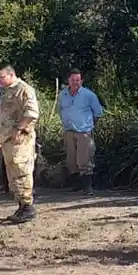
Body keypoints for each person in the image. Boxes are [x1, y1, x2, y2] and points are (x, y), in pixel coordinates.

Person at [0, 65, 41, 223]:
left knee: (22, 170)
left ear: (11, 75)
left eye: (1, 77)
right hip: (8, 140)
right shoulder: (7, 91)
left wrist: (19, 128)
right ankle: (21, 205)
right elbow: (4, 115)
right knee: (13, 172)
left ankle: (28, 206)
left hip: (20, 140)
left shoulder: (24, 89)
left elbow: (32, 112)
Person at [58, 68, 105, 196]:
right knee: (71, 160)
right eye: (73, 80)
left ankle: (88, 187)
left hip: (84, 131)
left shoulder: (89, 95)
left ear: (82, 81)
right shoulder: (62, 95)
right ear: (68, 80)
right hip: (68, 131)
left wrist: (89, 126)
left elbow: (98, 113)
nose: (75, 83)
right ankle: (76, 185)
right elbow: (60, 111)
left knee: (85, 160)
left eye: (78, 80)